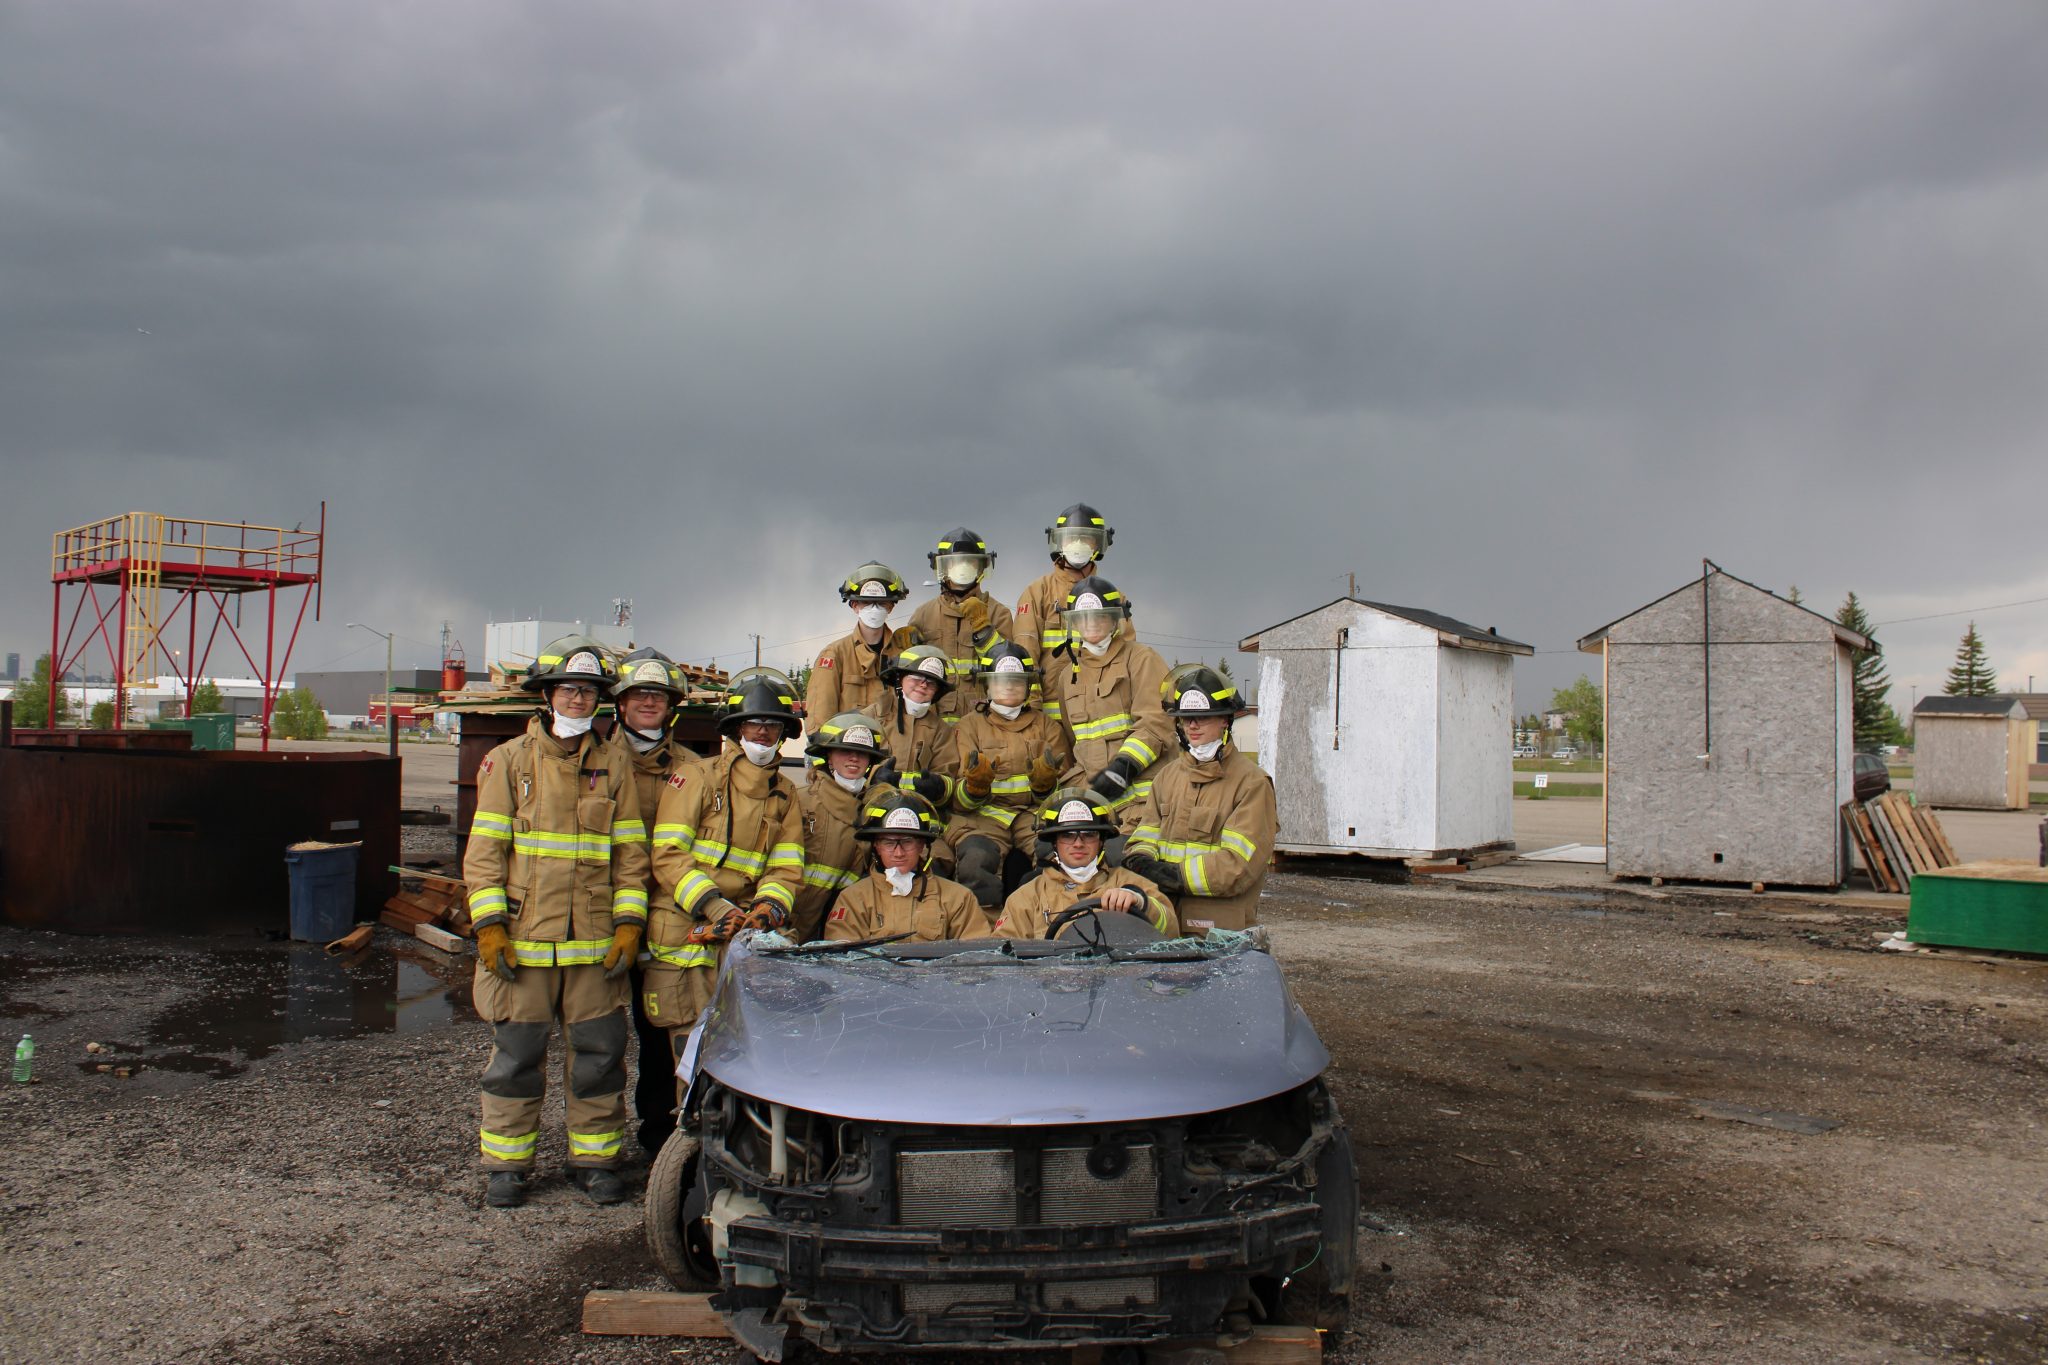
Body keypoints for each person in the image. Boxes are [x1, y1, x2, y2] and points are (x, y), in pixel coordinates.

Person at [462, 635, 649, 1209]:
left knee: (599, 1058)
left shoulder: (615, 763)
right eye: (569, 689)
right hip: (524, 944)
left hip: (594, 948)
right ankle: (508, 1165)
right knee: (516, 1059)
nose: (578, 699)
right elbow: (484, 853)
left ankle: (594, 1162)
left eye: (589, 691)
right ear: (547, 697)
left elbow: (631, 855)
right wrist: (490, 926)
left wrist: (627, 927)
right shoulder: (509, 761)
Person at [646, 667, 805, 1069]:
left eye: (773, 725)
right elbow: (668, 855)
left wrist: (767, 910)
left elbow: (786, 868)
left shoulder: (785, 794)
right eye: (754, 723)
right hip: (688, 934)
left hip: (746, 936)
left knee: (748, 1055)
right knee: (690, 1062)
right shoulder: (696, 778)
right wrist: (716, 908)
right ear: (736, 728)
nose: (764, 733)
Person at [601, 646, 701, 1155]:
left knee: (661, 1029)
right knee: (598, 1037)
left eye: (657, 695)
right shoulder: (596, 761)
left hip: (669, 916)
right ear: (619, 703)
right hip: (604, 913)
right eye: (638, 693)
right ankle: (594, 1143)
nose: (648, 703)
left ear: (672, 705)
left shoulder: (694, 770)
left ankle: (659, 1136)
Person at [1123, 664, 1277, 932]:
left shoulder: (1252, 784)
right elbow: (1144, 836)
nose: (1192, 725)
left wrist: (1174, 876)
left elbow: (1238, 867)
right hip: (1164, 921)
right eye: (1186, 718)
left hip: (1218, 929)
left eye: (1203, 717)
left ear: (1225, 720)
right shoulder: (1166, 777)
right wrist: (1140, 859)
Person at [1040, 575, 1173, 825]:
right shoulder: (1067, 677)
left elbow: (1158, 723)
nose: (1090, 623)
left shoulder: (1142, 659)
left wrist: (1124, 767)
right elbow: (1073, 741)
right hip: (1096, 804)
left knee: (1120, 858)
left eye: (1099, 615)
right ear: (1073, 623)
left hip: (1143, 804)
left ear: (1114, 619)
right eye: (1082, 617)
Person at [946, 639, 1067, 910]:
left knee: (1055, 857)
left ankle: (1040, 921)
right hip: (984, 818)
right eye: (1001, 681)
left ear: (1028, 686)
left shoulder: (1047, 727)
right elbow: (957, 800)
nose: (1009, 686)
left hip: (1033, 815)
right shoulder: (968, 727)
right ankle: (983, 932)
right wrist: (974, 789)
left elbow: (1065, 792)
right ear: (987, 686)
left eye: (1017, 680)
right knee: (975, 862)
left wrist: (1045, 788)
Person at [992, 787, 1176, 939]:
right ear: (1054, 842)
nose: (1078, 843)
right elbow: (1003, 955)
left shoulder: (1132, 884)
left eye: (1089, 835)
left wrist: (1141, 902)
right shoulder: (1027, 897)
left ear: (1102, 841)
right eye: (1068, 836)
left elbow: (1171, 931)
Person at [823, 789, 990, 942]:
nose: (898, 853)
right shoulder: (853, 899)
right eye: (889, 843)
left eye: (907, 842)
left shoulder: (958, 899)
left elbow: (976, 959)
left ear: (922, 845)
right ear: (876, 846)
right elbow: (841, 963)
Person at [791, 711, 888, 941]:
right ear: (829, 756)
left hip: (839, 926)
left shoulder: (872, 809)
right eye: (845, 751)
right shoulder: (799, 801)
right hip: (791, 920)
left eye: (863, 753)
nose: (854, 759)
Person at [907, 527, 1013, 723]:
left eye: (970, 562)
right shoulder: (923, 615)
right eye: (955, 563)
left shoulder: (998, 613)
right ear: (941, 567)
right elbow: (909, 676)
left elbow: (1006, 669)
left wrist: (983, 628)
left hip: (982, 721)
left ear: (982, 567)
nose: (962, 569)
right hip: (934, 723)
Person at [1012, 502, 1135, 661]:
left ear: (1097, 544)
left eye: (1085, 539)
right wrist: (1033, 686)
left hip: (1098, 685)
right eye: (1071, 538)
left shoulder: (1114, 597)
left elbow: (1126, 655)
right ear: (1059, 542)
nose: (1078, 545)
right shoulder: (1037, 593)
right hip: (1052, 687)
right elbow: (1025, 650)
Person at [805, 562, 910, 732]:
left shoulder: (905, 654)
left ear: (891, 606)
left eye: (881, 603)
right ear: (854, 606)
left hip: (895, 753)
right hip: (852, 752)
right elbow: (819, 718)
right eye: (867, 602)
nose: (874, 608)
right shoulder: (834, 655)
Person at [863, 642, 959, 812]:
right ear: (900, 678)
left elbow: (948, 775)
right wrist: (873, 776)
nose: (923, 685)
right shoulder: (870, 717)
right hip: (871, 809)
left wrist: (938, 787)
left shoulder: (940, 730)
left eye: (931, 682)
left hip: (918, 813)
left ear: (937, 692)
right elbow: (846, 764)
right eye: (916, 677)